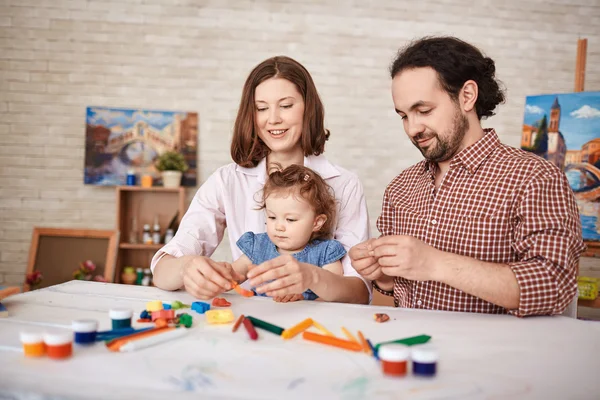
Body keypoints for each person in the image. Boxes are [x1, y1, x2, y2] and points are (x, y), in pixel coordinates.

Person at [349, 36, 585, 317]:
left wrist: (435, 263)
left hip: (493, 357)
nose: (412, 128)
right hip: (412, 349)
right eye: (403, 115)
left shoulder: (534, 177)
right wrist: (384, 277)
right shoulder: (401, 187)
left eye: (423, 110)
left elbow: (553, 285)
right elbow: (393, 297)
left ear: (467, 96)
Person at [151, 56, 371, 304]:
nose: (273, 119)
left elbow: (359, 292)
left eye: (286, 106)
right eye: (261, 108)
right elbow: (162, 272)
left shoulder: (344, 183)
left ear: (308, 108)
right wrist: (187, 268)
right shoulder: (227, 180)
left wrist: (312, 277)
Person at [230, 164, 346, 303]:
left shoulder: (326, 253)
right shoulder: (258, 246)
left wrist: (304, 300)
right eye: (272, 217)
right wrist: (219, 273)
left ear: (317, 222)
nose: (279, 227)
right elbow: (232, 275)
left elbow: (335, 295)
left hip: (306, 319)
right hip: (262, 317)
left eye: (290, 219)